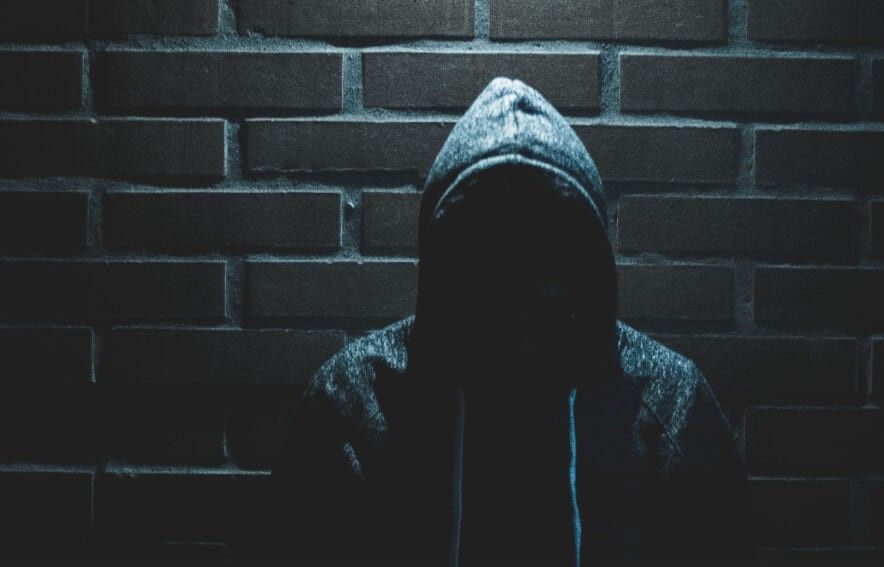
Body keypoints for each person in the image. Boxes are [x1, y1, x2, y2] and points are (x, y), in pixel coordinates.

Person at [269, 77, 750, 566]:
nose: (520, 335)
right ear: (450, 275)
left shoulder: (670, 405)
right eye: (494, 282)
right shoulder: (352, 403)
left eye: (544, 282)